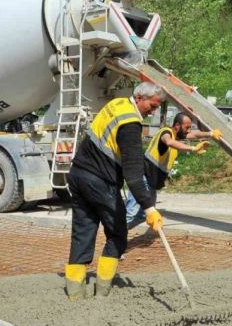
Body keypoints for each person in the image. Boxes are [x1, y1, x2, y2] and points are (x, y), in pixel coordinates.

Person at [64, 82, 165, 301]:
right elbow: (134, 174)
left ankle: (74, 292)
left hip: (78, 175)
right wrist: (149, 208)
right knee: (118, 234)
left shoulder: (117, 104)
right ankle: (102, 292)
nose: (154, 111)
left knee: (83, 232)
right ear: (139, 97)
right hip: (100, 181)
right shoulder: (130, 124)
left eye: (157, 107)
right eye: (152, 105)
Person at [125, 112, 222, 226]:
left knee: (143, 215)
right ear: (177, 125)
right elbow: (169, 142)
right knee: (130, 214)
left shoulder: (176, 136)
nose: (188, 130)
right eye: (187, 127)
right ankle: (115, 239)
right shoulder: (165, 132)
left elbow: (195, 135)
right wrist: (193, 149)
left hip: (152, 183)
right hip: (143, 179)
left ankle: (119, 238)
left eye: (190, 127)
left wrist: (210, 133)